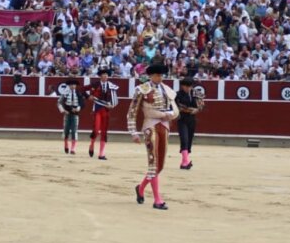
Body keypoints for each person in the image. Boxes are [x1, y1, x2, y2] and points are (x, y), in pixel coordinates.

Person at [127, 62, 179, 210]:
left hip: (164, 126)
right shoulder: (142, 89)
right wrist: (133, 132)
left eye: (161, 75)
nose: (160, 77)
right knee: (153, 163)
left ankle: (141, 188)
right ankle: (157, 200)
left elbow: (174, 109)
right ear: (150, 76)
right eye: (157, 75)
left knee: (160, 165)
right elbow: (132, 112)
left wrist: (170, 115)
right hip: (150, 126)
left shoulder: (167, 90)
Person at [87, 67, 118, 160]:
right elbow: (91, 95)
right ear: (100, 76)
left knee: (104, 131)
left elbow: (115, 99)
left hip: (105, 110)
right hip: (97, 109)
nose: (105, 76)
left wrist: (113, 105)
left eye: (106, 74)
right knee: (96, 130)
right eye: (103, 74)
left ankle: (101, 154)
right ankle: (92, 144)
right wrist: (90, 96)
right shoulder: (95, 85)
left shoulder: (112, 86)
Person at [174, 77, 205, 169]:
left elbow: (201, 105)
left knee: (189, 140)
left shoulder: (195, 93)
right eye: (186, 86)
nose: (188, 88)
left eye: (190, 86)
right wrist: (189, 109)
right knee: (184, 139)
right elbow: (177, 107)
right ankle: (186, 162)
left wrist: (197, 110)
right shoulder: (177, 95)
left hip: (191, 119)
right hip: (182, 119)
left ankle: (184, 162)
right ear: (182, 86)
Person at [56, 78, 85, 154]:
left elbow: (82, 103)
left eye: (74, 85)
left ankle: (73, 149)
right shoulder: (65, 93)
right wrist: (63, 110)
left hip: (75, 114)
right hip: (67, 114)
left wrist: (78, 108)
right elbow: (59, 103)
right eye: (71, 85)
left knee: (74, 131)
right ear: (69, 86)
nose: (73, 86)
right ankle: (66, 145)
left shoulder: (79, 93)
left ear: (76, 85)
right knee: (66, 130)